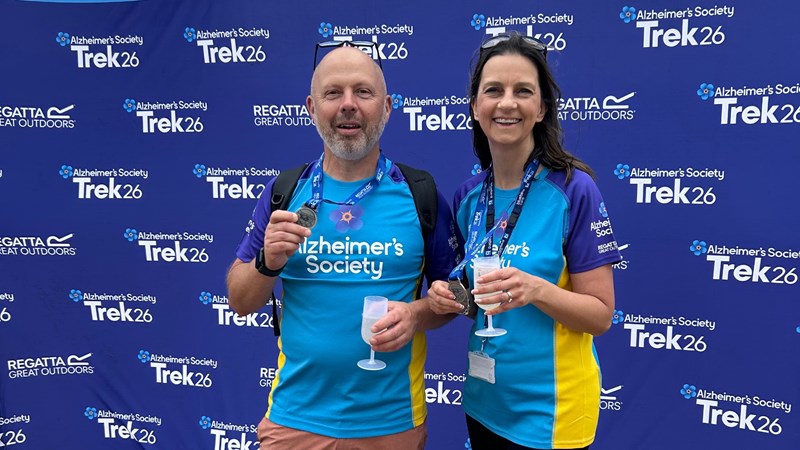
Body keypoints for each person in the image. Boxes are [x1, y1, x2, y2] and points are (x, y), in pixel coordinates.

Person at [226, 43, 457, 450]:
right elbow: (240, 301)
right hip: (294, 422)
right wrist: (267, 261)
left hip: (391, 424)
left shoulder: (420, 193)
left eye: (363, 92)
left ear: (387, 107)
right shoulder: (284, 192)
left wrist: (416, 313)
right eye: (333, 93)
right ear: (311, 108)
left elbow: (453, 299)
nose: (348, 104)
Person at [427, 33, 622, 450]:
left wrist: (536, 290)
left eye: (523, 91)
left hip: (552, 413)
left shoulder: (574, 190)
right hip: (484, 402)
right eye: (493, 90)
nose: (507, 103)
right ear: (475, 107)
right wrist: (451, 298)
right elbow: (476, 301)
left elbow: (601, 316)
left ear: (542, 108)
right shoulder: (468, 196)